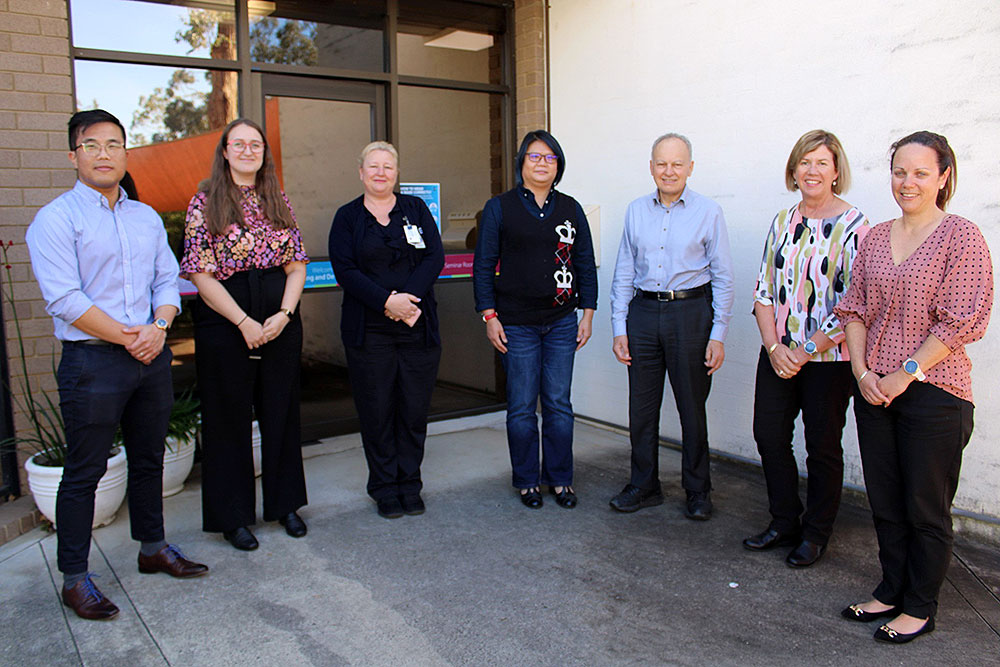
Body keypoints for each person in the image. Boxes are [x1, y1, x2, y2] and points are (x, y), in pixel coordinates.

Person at [26, 109, 208, 621]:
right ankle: (75, 578)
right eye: (92, 145)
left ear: (125, 153)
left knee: (150, 458)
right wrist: (133, 337)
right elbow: (65, 299)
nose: (103, 153)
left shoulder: (145, 217)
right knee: (84, 471)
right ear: (73, 155)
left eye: (113, 144)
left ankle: (153, 548)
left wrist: (160, 326)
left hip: (150, 355)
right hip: (93, 363)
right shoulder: (56, 219)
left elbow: (167, 283)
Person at [834, 131, 992, 643]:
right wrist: (862, 373)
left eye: (921, 173)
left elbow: (963, 321)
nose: (908, 182)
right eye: (900, 171)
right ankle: (890, 588)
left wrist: (905, 373)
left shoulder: (961, 237)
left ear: (943, 177)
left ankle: (920, 606)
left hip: (934, 392)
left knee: (925, 505)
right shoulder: (877, 236)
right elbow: (854, 308)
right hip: (875, 387)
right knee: (885, 498)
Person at [181, 118, 309, 551]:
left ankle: (285, 505)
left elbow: (296, 266)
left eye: (256, 144)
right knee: (227, 419)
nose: (248, 150)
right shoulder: (204, 202)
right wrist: (243, 322)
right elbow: (200, 273)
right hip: (226, 320)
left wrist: (284, 315)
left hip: (280, 317)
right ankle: (232, 518)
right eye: (239, 144)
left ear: (263, 153)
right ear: (224, 151)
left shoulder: (278, 199)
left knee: (281, 413)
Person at [743, 130, 869, 567]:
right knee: (769, 435)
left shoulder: (856, 226)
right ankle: (784, 521)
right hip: (778, 353)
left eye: (821, 162)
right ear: (793, 170)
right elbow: (763, 291)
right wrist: (775, 347)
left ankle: (816, 534)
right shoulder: (782, 221)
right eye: (804, 162)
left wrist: (807, 349)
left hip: (829, 361)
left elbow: (857, 302)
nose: (812, 170)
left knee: (822, 446)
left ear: (836, 171)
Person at [609, 133, 734, 520]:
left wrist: (717, 334)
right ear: (651, 167)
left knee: (691, 409)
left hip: (691, 314)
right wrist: (619, 326)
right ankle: (644, 485)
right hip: (643, 314)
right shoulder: (635, 210)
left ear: (690, 168)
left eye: (677, 164)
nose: (669, 171)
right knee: (642, 410)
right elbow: (624, 271)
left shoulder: (709, 212)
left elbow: (724, 277)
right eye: (661, 163)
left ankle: (697, 490)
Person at [473, 130, 598, 510]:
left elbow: (584, 263)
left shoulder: (571, 209)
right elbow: (482, 265)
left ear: (558, 165)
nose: (542, 163)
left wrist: (587, 313)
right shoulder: (500, 207)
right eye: (534, 156)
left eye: (550, 157)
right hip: (516, 323)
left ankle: (560, 479)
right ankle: (527, 479)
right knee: (523, 406)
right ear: (521, 163)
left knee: (559, 403)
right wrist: (489, 315)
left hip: (562, 320)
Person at [329, 141, 444, 519]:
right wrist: (386, 302)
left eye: (388, 167)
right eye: (373, 166)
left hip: (416, 325)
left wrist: (406, 300)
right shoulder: (347, 217)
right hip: (369, 331)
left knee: (412, 408)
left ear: (397, 174)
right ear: (361, 172)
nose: (381, 173)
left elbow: (434, 256)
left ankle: (409, 483)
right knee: (377, 410)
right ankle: (383, 487)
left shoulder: (415, 209)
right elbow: (345, 270)